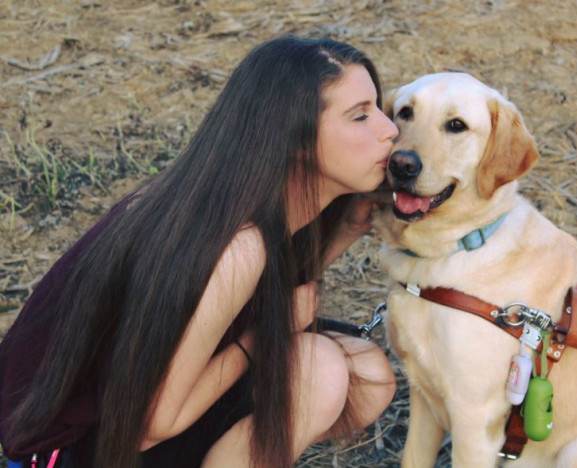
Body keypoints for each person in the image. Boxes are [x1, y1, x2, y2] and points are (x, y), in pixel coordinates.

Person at [0, 35, 399, 468]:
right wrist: (261, 338)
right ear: (295, 140)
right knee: (317, 372)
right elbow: (153, 422)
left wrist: (345, 230)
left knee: (367, 377)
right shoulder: (237, 245)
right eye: (360, 116)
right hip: (70, 450)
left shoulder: (236, 200)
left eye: (377, 108)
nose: (389, 129)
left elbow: (244, 305)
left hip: (119, 419)